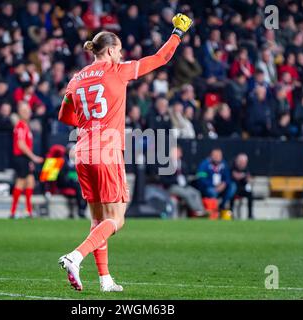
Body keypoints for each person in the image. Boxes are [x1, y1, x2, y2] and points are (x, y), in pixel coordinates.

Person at [57, 13, 192, 292]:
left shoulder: (76, 78)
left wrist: (89, 123)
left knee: (98, 219)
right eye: (118, 50)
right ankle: (75, 256)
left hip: (82, 151)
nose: (121, 55)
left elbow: (64, 116)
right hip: (107, 150)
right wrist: (177, 34)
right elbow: (161, 58)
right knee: (117, 219)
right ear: (109, 50)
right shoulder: (117, 70)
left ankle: (105, 280)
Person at [9, 101, 44, 219]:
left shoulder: (24, 125)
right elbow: (21, 144)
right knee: (21, 181)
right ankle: (13, 211)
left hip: (24, 158)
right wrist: (33, 157)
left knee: (30, 181)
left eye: (28, 110)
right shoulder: (20, 126)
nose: (27, 113)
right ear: (20, 112)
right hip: (20, 158)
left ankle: (28, 211)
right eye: (24, 111)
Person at [159, 146, 204, 217]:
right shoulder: (166, 164)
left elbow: (186, 176)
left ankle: (201, 211)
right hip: (171, 186)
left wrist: (185, 181)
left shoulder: (182, 164)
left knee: (196, 192)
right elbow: (163, 179)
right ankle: (197, 211)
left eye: (178, 152)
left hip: (183, 186)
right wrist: (176, 180)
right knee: (187, 194)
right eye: (175, 152)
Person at [196, 148, 236, 213]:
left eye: (219, 156)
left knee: (233, 186)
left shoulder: (224, 164)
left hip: (221, 187)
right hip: (208, 188)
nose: (218, 157)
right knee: (212, 191)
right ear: (211, 156)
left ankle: (222, 206)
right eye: (216, 156)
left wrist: (224, 184)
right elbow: (201, 179)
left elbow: (228, 178)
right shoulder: (204, 164)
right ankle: (215, 210)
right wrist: (213, 186)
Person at [230, 153, 254, 219]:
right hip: (234, 188)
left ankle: (250, 215)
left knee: (250, 194)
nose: (243, 163)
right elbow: (235, 176)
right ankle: (231, 213)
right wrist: (242, 176)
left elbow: (249, 178)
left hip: (243, 188)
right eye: (241, 162)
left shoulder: (246, 168)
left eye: (244, 162)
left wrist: (249, 179)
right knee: (232, 193)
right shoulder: (232, 167)